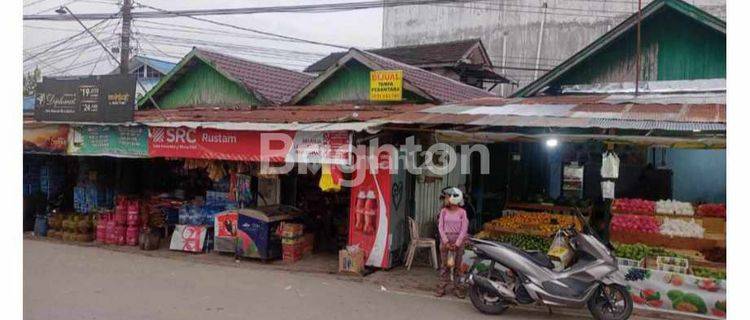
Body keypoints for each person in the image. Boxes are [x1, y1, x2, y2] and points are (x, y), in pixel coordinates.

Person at [435, 187, 469, 298]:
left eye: (447, 197)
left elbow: (464, 229)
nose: (445, 199)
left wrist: (457, 243)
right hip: (446, 242)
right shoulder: (443, 211)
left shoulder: (462, 212)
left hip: (458, 242)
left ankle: (457, 288)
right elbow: (440, 227)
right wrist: (446, 242)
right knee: (445, 266)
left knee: (457, 267)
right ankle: (441, 288)